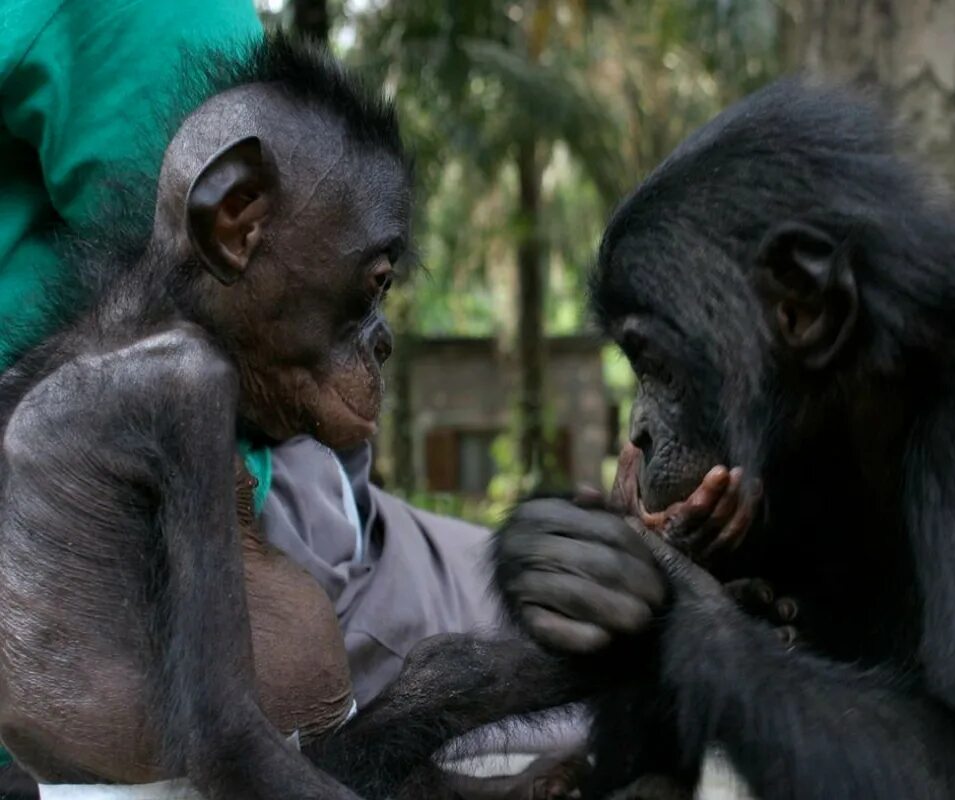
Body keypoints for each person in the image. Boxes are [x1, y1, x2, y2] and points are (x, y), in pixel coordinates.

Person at [0, 0, 574, 792]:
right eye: (369, 287)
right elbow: (225, 742)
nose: (378, 336)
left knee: (472, 668)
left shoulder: (96, 366)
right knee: (526, 634)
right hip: (186, 768)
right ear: (238, 221)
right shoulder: (180, 379)